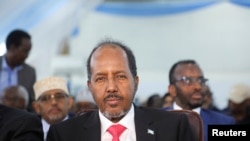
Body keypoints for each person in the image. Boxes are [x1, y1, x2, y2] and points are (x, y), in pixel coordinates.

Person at [47, 40, 196, 141]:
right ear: (90, 87)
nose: (111, 87)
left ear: (135, 82)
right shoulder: (63, 135)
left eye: (120, 77)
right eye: (100, 79)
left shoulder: (174, 127)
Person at [163, 59, 235, 141]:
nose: (198, 86)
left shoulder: (224, 123)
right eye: (187, 80)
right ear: (172, 89)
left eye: (201, 80)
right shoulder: (154, 120)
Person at [0, 29, 36, 112]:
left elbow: (31, 102)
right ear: (12, 48)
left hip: (20, 120)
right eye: (25, 51)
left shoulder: (30, 72)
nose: (27, 56)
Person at [32, 76, 74, 140]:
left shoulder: (82, 129)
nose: (53, 102)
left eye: (59, 96)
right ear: (36, 107)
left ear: (69, 102)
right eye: (45, 98)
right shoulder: (29, 133)